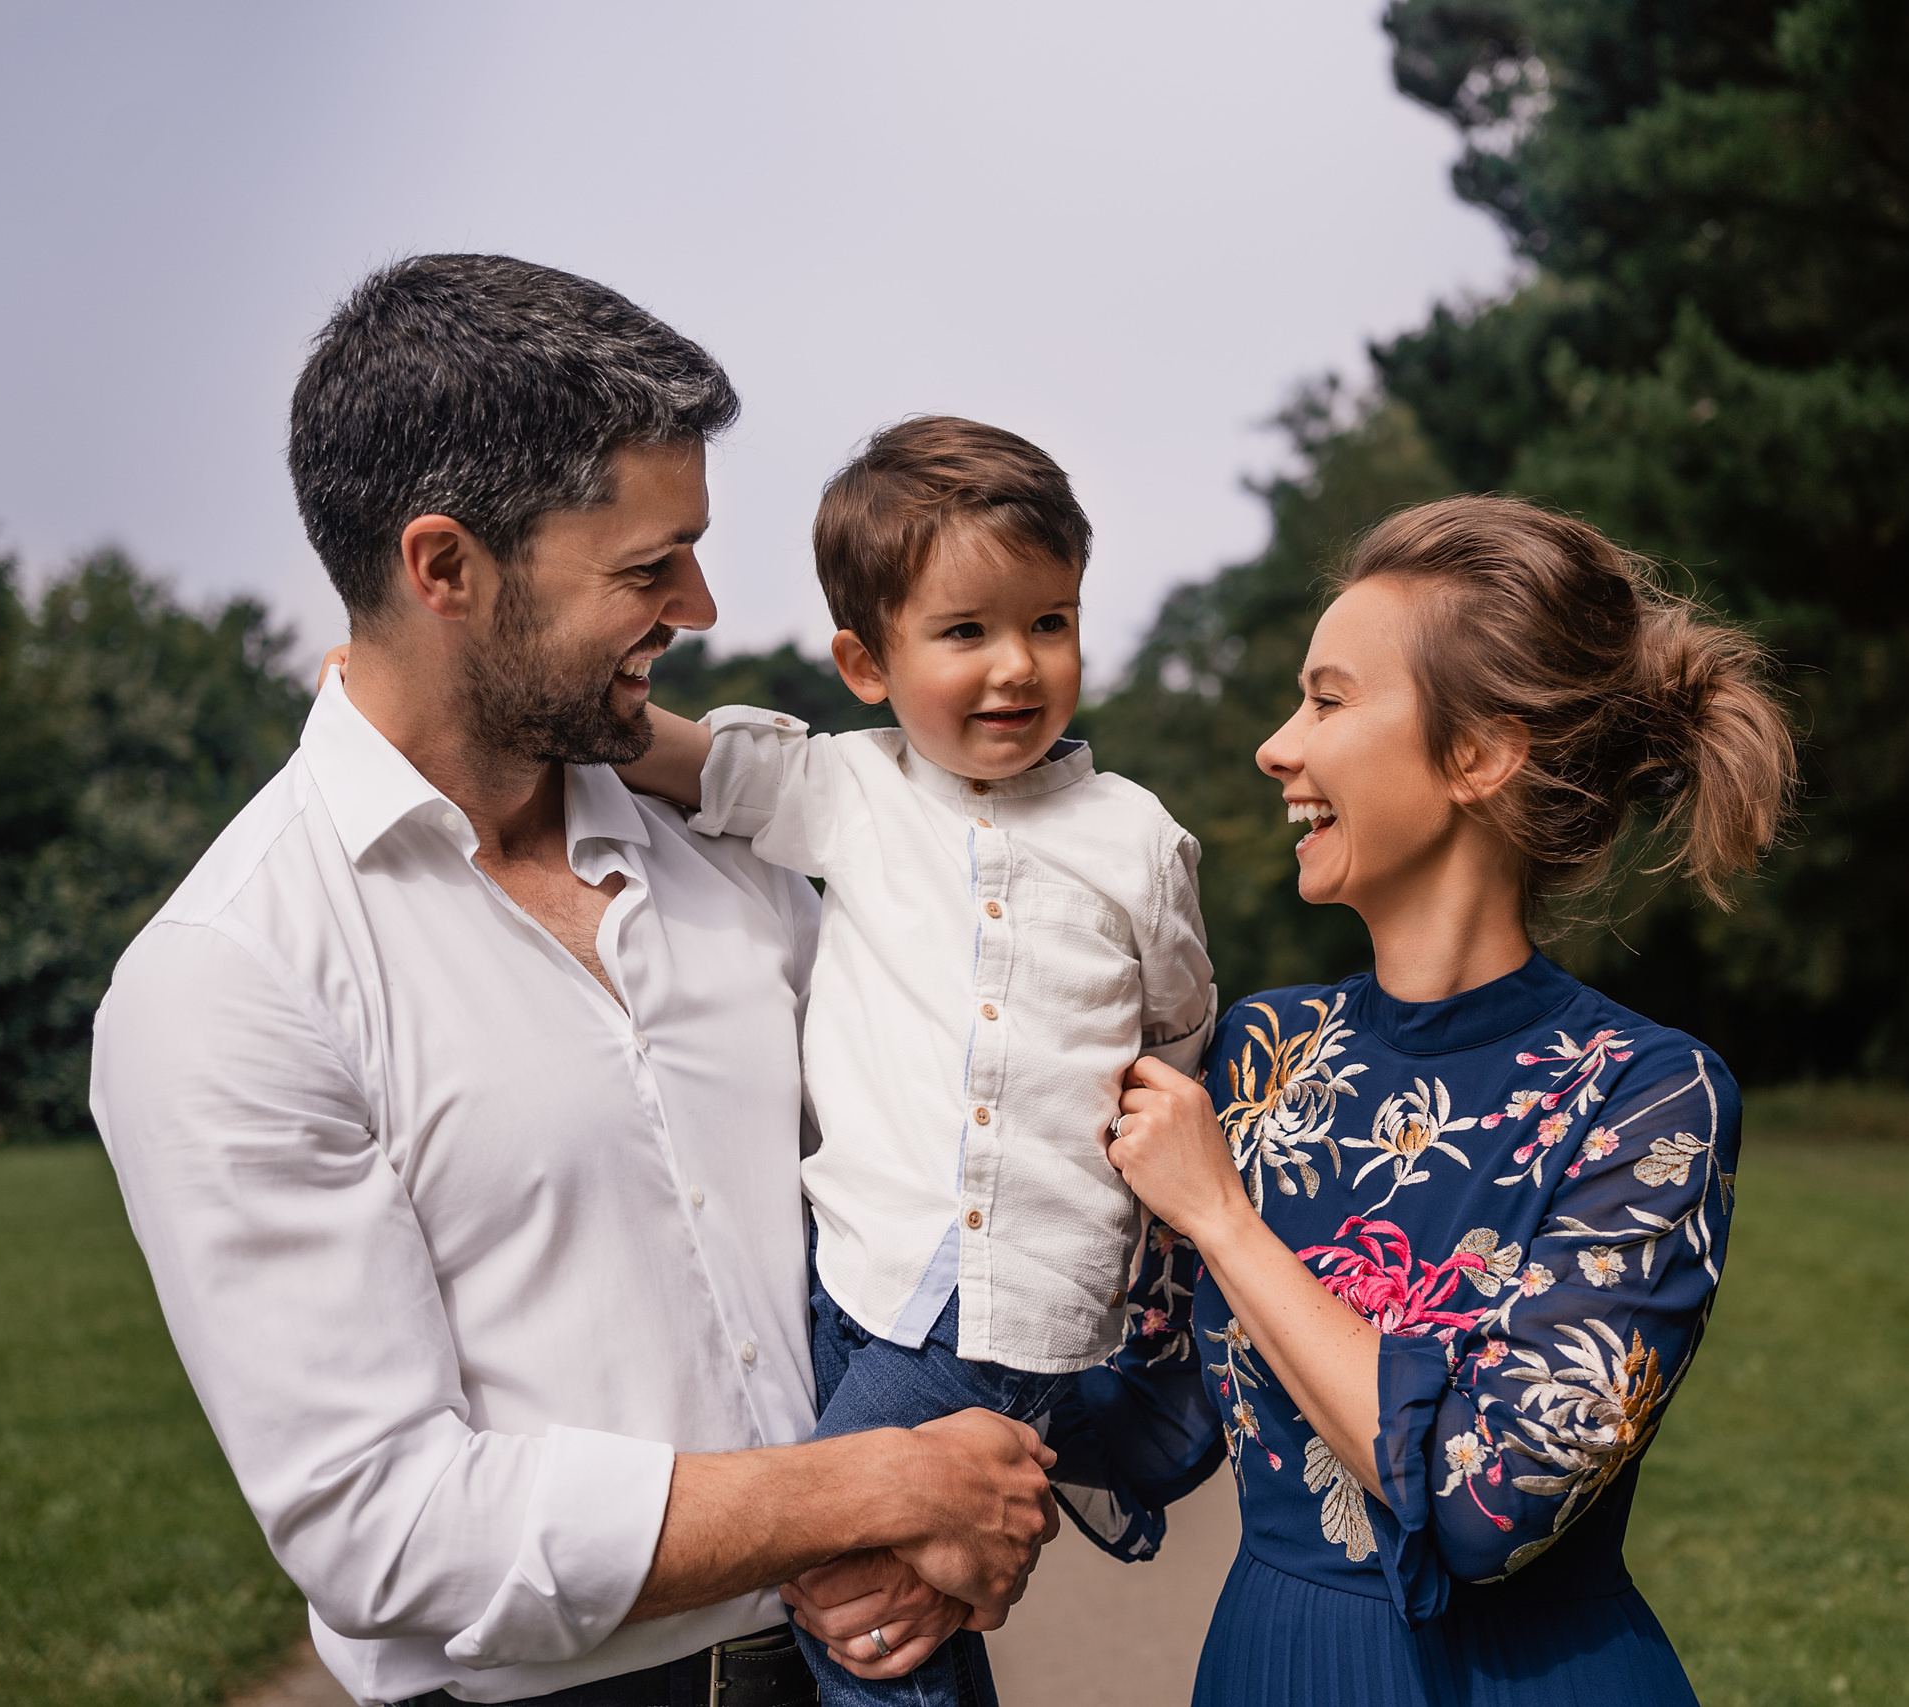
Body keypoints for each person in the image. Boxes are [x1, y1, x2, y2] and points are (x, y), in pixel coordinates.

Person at [88, 255, 1056, 1707]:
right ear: (444, 569)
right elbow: (385, 1523)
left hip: (875, 1663)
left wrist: (941, 1499)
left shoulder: (730, 860)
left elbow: (931, 1160)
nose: (703, 602)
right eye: (645, 567)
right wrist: (868, 1488)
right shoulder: (230, 978)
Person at [1082, 495, 1797, 1705]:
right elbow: (1152, 1424)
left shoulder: (1647, 1098)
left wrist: (1221, 1221)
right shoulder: (1260, 1055)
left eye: (1327, 698)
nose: (1275, 747)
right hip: (1266, 1666)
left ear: (1478, 754)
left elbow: (1486, 1505)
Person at [613, 415, 1216, 1705]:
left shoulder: (1134, 840)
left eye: (1048, 622)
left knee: (849, 1598)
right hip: (853, 1269)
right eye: (964, 632)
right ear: (866, 661)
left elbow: (1173, 1038)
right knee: (918, 1603)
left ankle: (1125, 1417)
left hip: (1008, 1299)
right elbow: (657, 750)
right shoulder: (846, 790)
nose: (1016, 665)